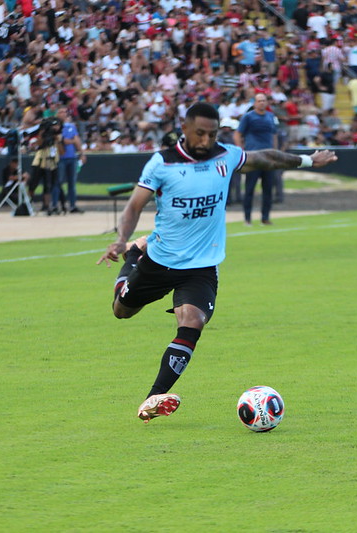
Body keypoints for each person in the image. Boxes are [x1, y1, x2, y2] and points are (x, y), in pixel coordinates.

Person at [96, 102, 337, 423]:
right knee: (121, 311)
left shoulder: (226, 156)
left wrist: (307, 160)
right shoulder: (162, 163)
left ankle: (152, 398)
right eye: (199, 133)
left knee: (193, 322)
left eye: (211, 134)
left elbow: (266, 157)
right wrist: (121, 240)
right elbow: (133, 207)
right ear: (185, 128)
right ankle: (133, 256)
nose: (205, 140)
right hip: (160, 260)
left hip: (201, 266)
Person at [234, 94, 278, 225]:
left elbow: (274, 134)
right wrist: (241, 150)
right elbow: (237, 134)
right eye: (259, 101)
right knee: (249, 189)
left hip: (269, 158)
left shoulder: (270, 116)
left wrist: (276, 152)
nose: (262, 103)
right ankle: (247, 218)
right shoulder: (248, 117)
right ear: (255, 103)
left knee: (268, 189)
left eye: (264, 101)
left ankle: (265, 217)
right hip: (253, 157)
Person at [54, 107, 85, 214]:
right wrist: (70, 141)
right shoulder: (56, 126)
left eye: (65, 112)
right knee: (58, 182)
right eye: (61, 112)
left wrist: (81, 152)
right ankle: (55, 205)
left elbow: (76, 140)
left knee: (72, 183)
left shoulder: (71, 126)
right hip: (60, 158)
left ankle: (72, 205)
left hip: (71, 157)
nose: (63, 114)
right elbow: (63, 140)